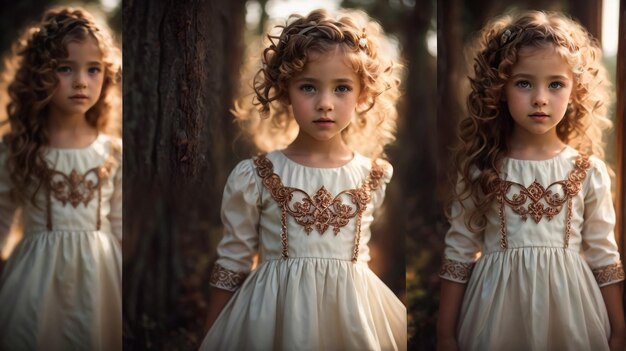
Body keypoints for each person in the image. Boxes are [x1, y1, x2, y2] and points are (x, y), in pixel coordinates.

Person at [200, 8, 406, 351]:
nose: (325, 103)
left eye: (341, 88)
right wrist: (210, 337)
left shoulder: (374, 176)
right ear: (284, 91)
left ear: (363, 94)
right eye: (308, 87)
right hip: (271, 318)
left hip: (352, 318)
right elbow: (232, 262)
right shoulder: (256, 176)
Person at [437, 10, 625, 351]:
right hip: (494, 314)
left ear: (575, 90)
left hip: (573, 314)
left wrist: (619, 332)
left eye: (555, 84)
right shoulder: (482, 169)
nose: (540, 98)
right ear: (500, 88)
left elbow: (604, 256)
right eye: (524, 83)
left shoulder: (587, 171)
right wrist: (446, 335)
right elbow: (459, 253)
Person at [0, 7, 122, 350]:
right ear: (40, 74)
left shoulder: (114, 152)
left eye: (93, 69)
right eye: (65, 68)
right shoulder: (16, 149)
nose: (81, 81)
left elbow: (121, 225)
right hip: (33, 283)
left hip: (99, 283)